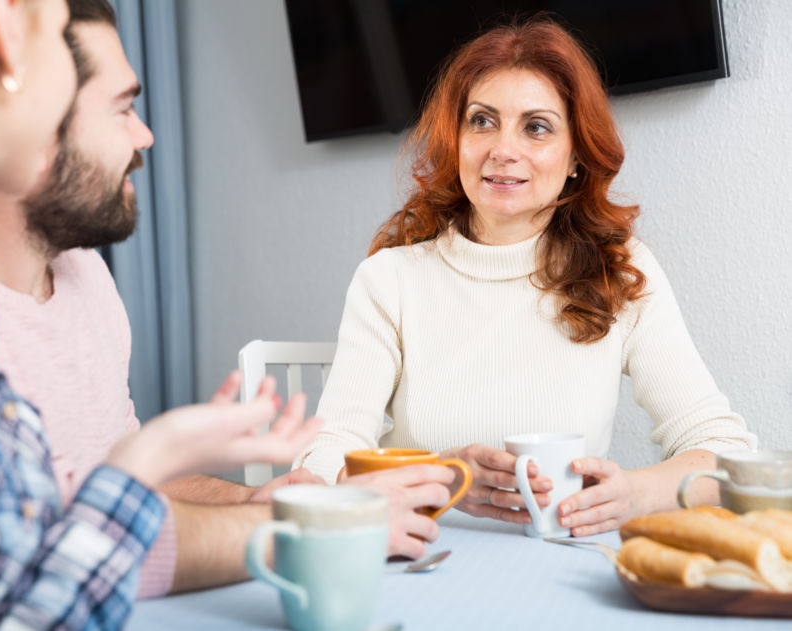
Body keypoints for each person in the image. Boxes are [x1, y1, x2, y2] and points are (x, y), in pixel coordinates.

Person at [0, 0, 454, 596]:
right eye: (122, 107)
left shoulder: (85, 274)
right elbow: (64, 547)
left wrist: (252, 497)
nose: (145, 134)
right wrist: (314, 526)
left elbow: (121, 489)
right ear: (32, 127)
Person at [0, 0, 319, 627]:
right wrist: (146, 464)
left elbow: (11, 583)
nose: (144, 134)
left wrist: (150, 459)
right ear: (5, 25)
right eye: (121, 106)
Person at [293, 17, 757, 536]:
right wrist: (436, 478)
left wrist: (636, 494)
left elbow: (726, 449)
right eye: (482, 121)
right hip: (422, 556)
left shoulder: (620, 270)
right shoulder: (388, 281)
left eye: (536, 126)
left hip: (565, 564)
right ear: (457, 139)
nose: (502, 149)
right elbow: (324, 461)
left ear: (576, 155)